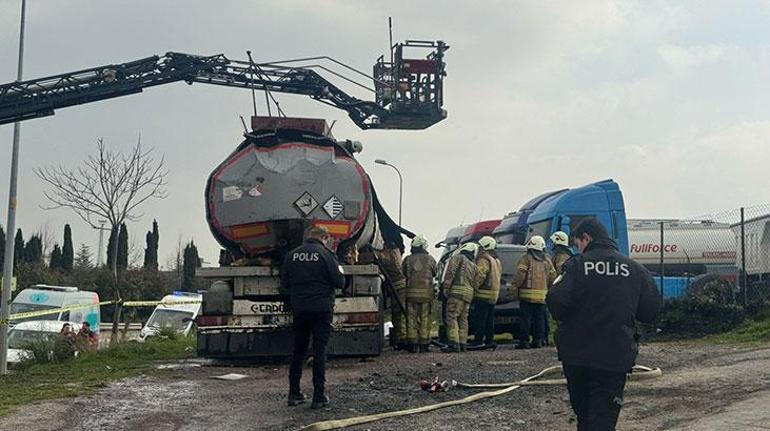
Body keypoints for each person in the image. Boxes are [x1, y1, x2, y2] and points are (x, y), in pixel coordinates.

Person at [547, 217, 662, 430]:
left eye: (578, 243)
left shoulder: (576, 266)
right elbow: (651, 310)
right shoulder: (634, 269)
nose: (578, 249)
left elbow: (555, 301)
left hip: (577, 355)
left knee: (585, 414)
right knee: (603, 419)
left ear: (586, 238)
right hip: (615, 356)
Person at [282, 226, 345, 409]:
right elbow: (339, 282)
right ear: (324, 237)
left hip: (299, 308)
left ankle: (294, 393)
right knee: (319, 350)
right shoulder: (326, 255)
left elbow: (284, 283)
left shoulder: (292, 255)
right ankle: (318, 396)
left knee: (298, 350)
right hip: (321, 309)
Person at [512, 235, 556, 349]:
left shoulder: (526, 258)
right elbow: (553, 276)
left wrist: (515, 286)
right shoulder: (547, 260)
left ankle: (524, 342)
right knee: (539, 320)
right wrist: (548, 288)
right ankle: (538, 341)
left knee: (526, 320)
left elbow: (520, 275)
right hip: (542, 297)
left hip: (526, 296)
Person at [401, 235, 438, 353]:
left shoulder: (407, 259)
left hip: (410, 295)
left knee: (411, 319)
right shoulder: (430, 259)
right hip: (426, 296)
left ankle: (412, 345)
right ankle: (424, 345)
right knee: (425, 319)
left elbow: (404, 273)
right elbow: (435, 272)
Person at [440, 242, 478, 353]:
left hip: (456, 294)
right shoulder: (473, 265)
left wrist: (446, 288)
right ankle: (463, 343)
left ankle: (453, 343)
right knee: (463, 319)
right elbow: (476, 283)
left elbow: (450, 272)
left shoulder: (457, 258)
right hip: (468, 296)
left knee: (452, 317)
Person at [469, 236, 502, 349]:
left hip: (483, 294)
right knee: (489, 320)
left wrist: (473, 287)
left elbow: (481, 275)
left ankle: (478, 341)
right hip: (493, 294)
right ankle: (489, 340)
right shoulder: (496, 260)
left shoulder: (484, 259)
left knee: (480, 319)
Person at [377, 242, 408, 350]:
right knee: (397, 313)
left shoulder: (385, 257)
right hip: (398, 286)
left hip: (398, 287)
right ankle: (400, 337)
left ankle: (402, 338)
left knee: (399, 313)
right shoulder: (394, 255)